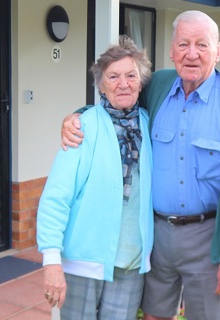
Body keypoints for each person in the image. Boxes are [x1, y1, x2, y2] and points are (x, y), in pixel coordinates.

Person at [60, 10, 220, 320]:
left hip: (208, 238)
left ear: (218, 51)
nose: (192, 54)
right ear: (172, 50)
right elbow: (118, 100)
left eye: (202, 44)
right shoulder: (157, 86)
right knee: (155, 316)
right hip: (157, 236)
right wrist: (77, 117)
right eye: (183, 44)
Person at [37, 35, 154, 320]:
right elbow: (56, 197)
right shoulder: (83, 127)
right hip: (82, 263)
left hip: (130, 262)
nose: (123, 83)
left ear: (141, 81)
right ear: (100, 84)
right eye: (113, 76)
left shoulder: (150, 126)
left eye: (131, 75)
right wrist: (52, 262)